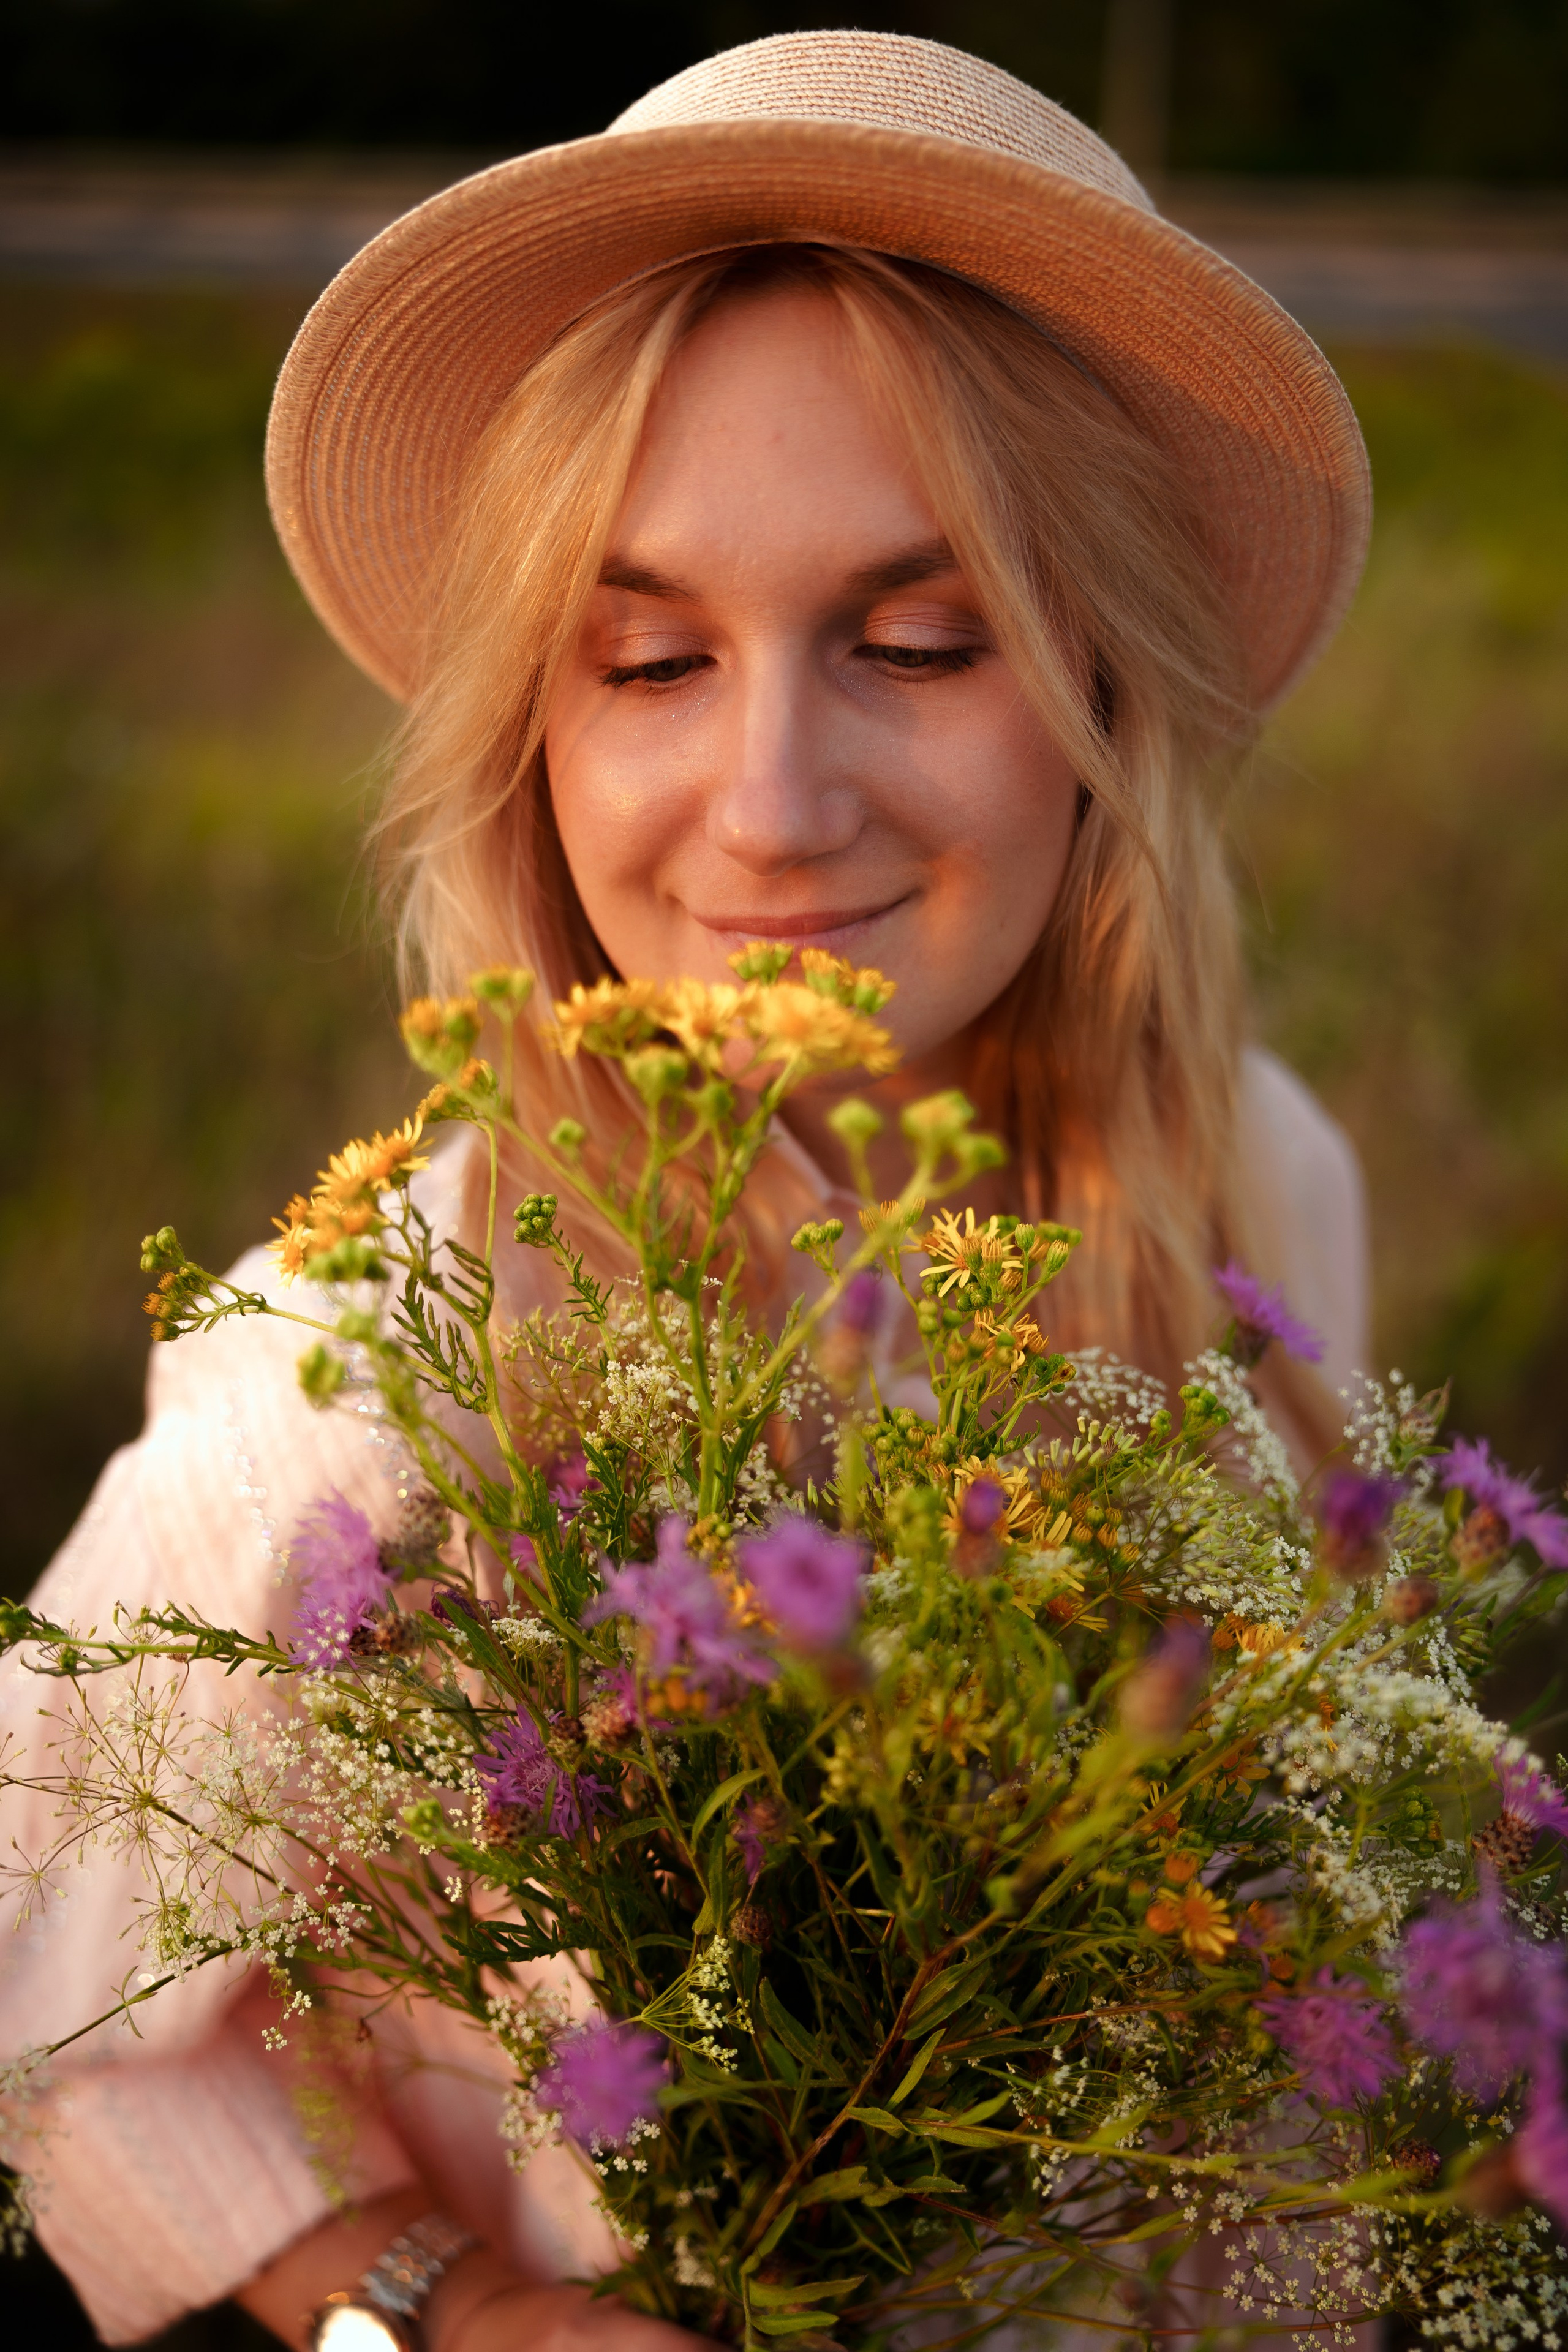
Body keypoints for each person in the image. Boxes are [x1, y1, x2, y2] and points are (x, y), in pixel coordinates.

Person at [0, 31, 1373, 2352]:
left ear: (1109, 697)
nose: (768, 802)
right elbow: (56, 2015)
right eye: (650, 657)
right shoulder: (347, 1375)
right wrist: (422, 2312)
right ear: (536, 729)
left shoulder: (1258, 1179)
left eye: (916, 643)